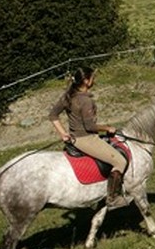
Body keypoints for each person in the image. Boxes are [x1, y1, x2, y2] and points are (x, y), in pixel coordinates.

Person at [48, 67, 127, 206]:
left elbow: (53, 115)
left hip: (74, 138)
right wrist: (108, 127)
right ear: (86, 81)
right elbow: (90, 127)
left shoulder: (68, 96)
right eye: (92, 78)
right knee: (120, 162)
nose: (94, 80)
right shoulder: (86, 101)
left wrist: (63, 134)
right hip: (87, 139)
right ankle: (113, 198)